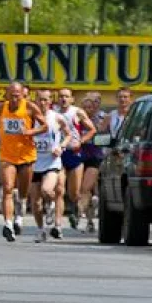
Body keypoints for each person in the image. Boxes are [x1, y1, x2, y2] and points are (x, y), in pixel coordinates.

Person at [0, 81, 47, 242]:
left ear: (23, 95)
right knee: (8, 188)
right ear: (7, 94)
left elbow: (44, 126)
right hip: (7, 156)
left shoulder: (30, 108)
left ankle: (19, 213)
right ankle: (8, 224)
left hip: (26, 156)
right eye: (11, 96)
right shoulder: (1, 108)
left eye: (17, 96)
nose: (14, 99)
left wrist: (30, 131)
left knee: (23, 192)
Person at [30, 89, 71, 243]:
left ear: (50, 102)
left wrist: (61, 147)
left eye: (45, 100)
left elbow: (68, 134)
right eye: (40, 100)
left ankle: (52, 204)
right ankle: (40, 230)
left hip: (52, 161)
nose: (42, 103)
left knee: (47, 189)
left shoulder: (57, 118)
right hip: (35, 162)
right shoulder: (31, 118)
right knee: (35, 201)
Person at [55, 88, 96, 232]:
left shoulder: (77, 112)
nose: (63, 99)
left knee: (74, 193)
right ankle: (56, 220)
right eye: (61, 96)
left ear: (72, 99)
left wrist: (81, 141)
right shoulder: (53, 112)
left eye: (66, 96)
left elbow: (92, 129)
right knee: (59, 188)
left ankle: (75, 213)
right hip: (59, 154)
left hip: (74, 153)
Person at [78, 93, 106, 233]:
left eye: (94, 104)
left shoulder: (101, 119)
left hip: (95, 156)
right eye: (86, 106)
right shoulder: (77, 120)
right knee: (82, 191)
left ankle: (81, 216)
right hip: (78, 156)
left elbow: (107, 135)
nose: (90, 108)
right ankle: (89, 220)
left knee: (85, 188)